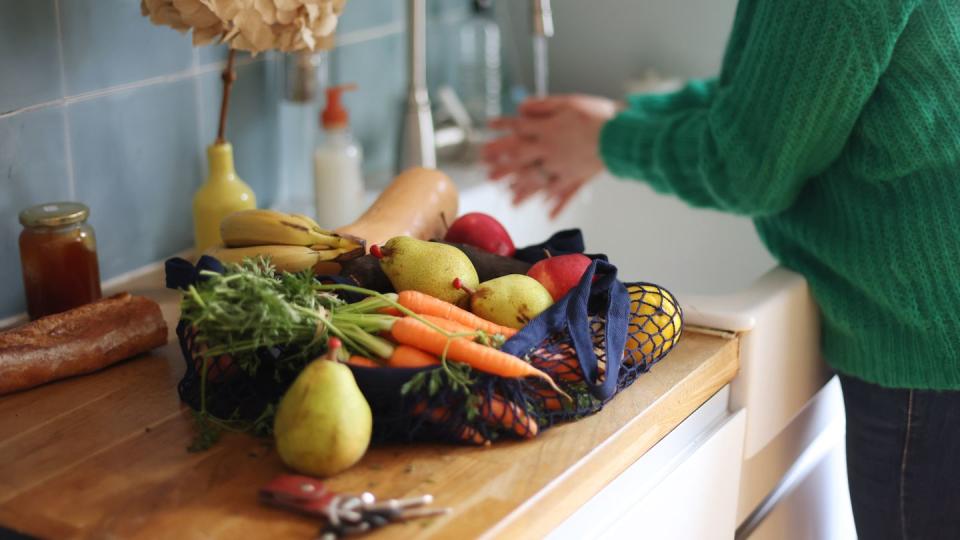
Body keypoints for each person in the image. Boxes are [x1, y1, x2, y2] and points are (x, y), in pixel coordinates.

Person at [482, 1, 960, 538]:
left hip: (930, 345)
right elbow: (768, 100)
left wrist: (610, 139)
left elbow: (749, 168)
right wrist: (616, 125)